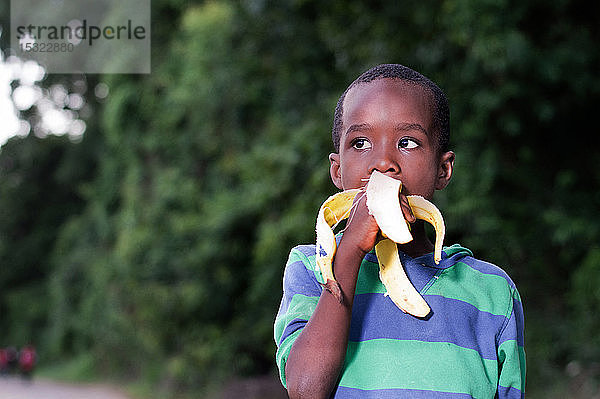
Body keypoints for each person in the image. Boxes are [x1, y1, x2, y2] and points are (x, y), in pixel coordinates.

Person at [274, 63, 525, 398]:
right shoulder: (311, 268)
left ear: (443, 169)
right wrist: (347, 253)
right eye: (360, 143)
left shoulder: (491, 291)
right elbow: (305, 390)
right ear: (337, 171)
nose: (383, 163)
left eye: (407, 142)